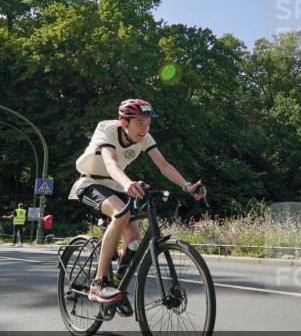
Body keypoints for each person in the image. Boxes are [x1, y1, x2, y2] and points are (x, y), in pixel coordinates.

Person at [68, 98, 206, 314]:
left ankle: (117, 288)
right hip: (91, 182)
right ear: (125, 122)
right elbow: (111, 163)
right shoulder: (106, 130)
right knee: (120, 214)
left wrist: (187, 186)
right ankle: (98, 282)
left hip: (117, 185)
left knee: (133, 235)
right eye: (139, 122)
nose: (145, 127)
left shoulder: (145, 138)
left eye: (148, 122)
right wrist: (128, 183)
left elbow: (164, 165)